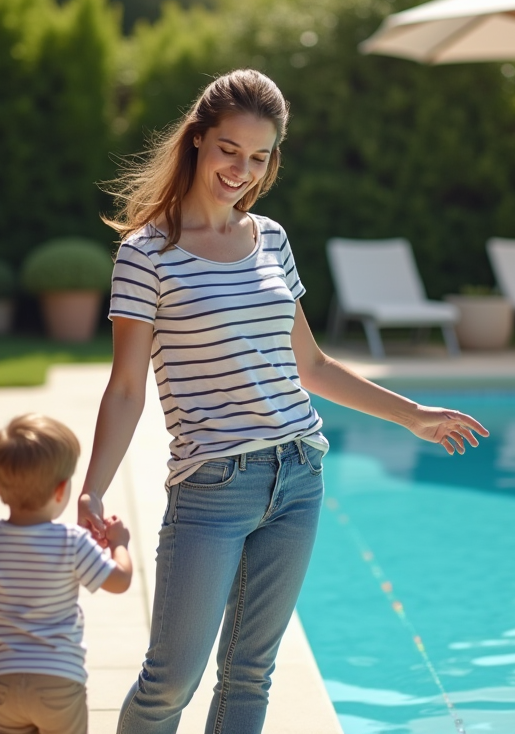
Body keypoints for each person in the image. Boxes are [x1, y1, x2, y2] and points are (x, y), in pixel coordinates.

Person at [77, 68, 488, 734]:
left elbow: (312, 364)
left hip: (298, 476)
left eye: (259, 157)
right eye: (229, 150)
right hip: (212, 486)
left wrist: (412, 415)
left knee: (250, 674)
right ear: (197, 140)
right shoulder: (145, 253)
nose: (241, 171)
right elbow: (126, 386)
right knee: (170, 680)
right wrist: (93, 487)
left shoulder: (270, 238)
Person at [0, 413, 134, 734]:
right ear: (61, 490)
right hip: (59, 681)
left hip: (3, 682)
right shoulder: (71, 542)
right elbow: (120, 581)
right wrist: (119, 544)